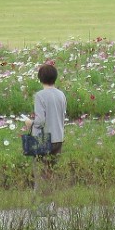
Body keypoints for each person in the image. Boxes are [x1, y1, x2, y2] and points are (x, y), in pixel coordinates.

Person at [24, 64, 67, 210]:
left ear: (40, 78)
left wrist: (30, 123)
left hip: (44, 139)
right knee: (51, 172)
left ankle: (39, 206)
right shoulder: (61, 94)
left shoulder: (40, 96)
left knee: (40, 174)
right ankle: (52, 204)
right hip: (58, 138)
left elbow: (41, 121)